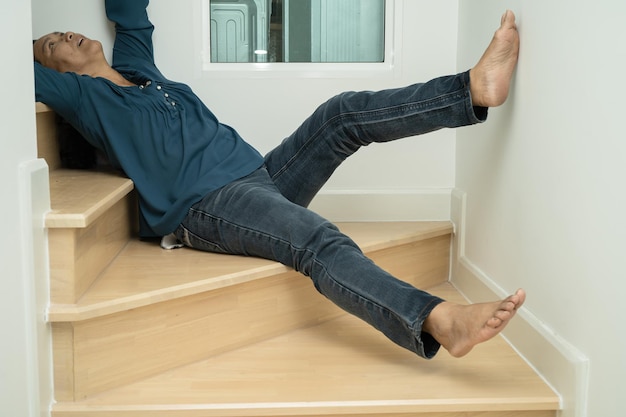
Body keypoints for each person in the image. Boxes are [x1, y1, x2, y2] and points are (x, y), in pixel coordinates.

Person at [33, 0, 525, 359]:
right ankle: (436, 320)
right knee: (316, 238)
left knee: (340, 115)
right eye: (51, 44)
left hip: (258, 175)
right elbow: (15, 74)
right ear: (53, 70)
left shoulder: (138, 67)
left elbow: (130, 10)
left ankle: (471, 92)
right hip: (207, 205)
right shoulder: (84, 99)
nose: (66, 35)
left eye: (63, 31)